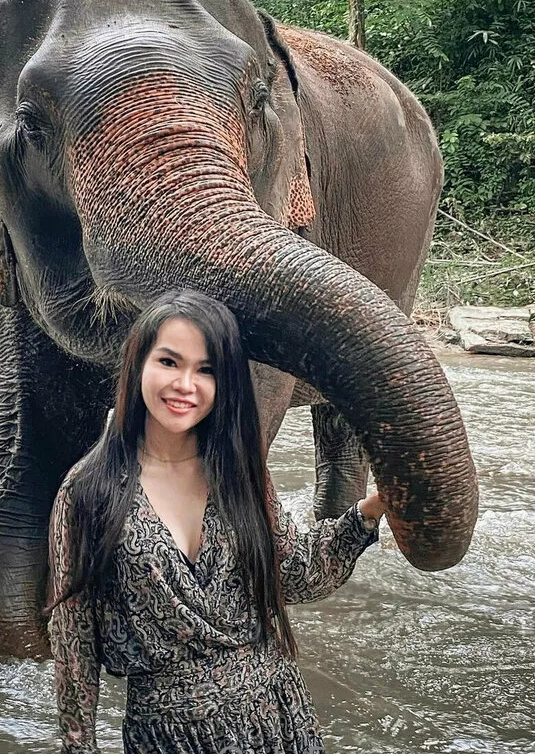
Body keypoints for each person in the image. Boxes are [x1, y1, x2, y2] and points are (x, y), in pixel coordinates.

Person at [46, 290, 384, 754]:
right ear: (138, 364)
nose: (185, 384)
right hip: (169, 735)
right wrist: (78, 745)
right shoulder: (88, 491)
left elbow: (295, 575)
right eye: (169, 362)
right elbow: (74, 640)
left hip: (277, 716)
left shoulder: (239, 472)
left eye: (206, 370)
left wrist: (371, 510)